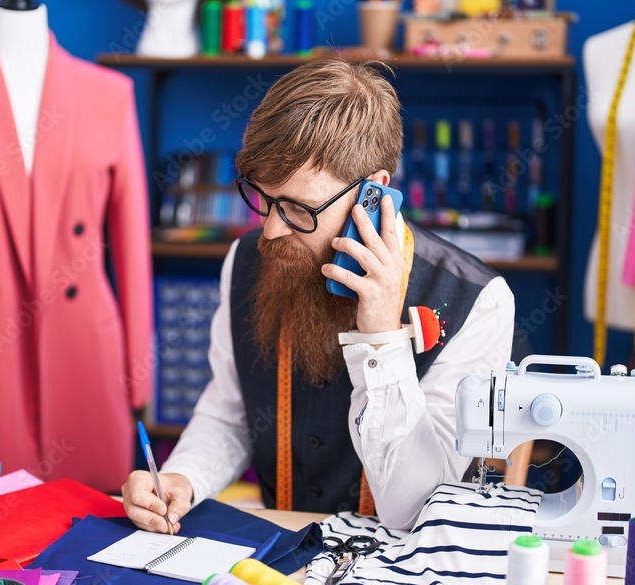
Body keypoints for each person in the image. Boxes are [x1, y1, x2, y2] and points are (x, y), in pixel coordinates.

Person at [122, 59, 514, 532]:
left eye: (298, 209)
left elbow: (418, 508)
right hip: (277, 562)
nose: (270, 230)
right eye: (264, 199)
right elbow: (230, 414)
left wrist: (383, 341)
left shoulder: (479, 301)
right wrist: (183, 477)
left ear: (373, 192)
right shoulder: (244, 259)